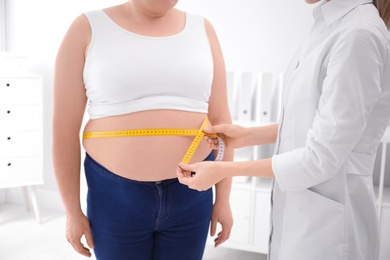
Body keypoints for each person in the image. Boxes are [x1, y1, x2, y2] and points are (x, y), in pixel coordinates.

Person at [177, 0, 390, 259]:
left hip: (331, 233)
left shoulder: (359, 34)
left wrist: (222, 170)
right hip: (305, 218)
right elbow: (317, 124)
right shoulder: (327, 23)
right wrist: (246, 136)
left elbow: (320, 158)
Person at [52, 0, 234, 259]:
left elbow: (221, 121)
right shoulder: (87, 28)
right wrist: (71, 211)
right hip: (113, 196)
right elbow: (63, 133)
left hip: (194, 191)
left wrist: (224, 199)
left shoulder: (202, 29)